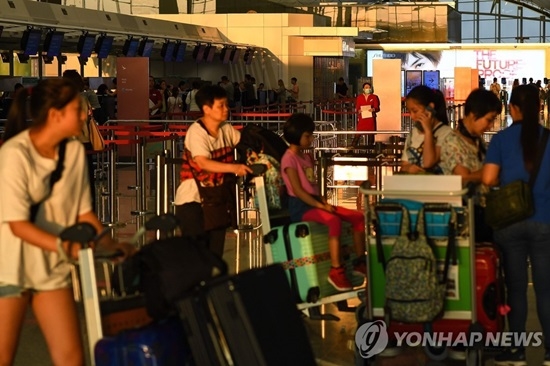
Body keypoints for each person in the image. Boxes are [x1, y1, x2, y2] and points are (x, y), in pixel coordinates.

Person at [0, 79, 134, 366]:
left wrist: (107, 242)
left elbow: (82, 212)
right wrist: (66, 246)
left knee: (72, 358)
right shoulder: (14, 154)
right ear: (55, 114)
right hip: (10, 268)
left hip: (51, 266)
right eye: (79, 109)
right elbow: (17, 225)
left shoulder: (72, 151)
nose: (86, 114)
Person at [482, 85, 550, 365]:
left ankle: (518, 350)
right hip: (544, 221)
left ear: (511, 108)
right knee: (546, 290)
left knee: (516, 288)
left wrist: (505, 181)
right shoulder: (548, 139)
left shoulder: (501, 140)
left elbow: (487, 179)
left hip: (510, 224)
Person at [280, 113, 366, 292]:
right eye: (307, 135)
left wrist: (322, 202)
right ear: (296, 136)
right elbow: (298, 191)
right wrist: (321, 206)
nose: (311, 138)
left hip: (315, 202)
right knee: (333, 220)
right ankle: (336, 269)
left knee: (358, 217)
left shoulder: (307, 157)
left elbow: (312, 186)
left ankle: (360, 261)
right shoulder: (289, 159)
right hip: (301, 206)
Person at [174, 85, 251, 257]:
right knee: (196, 256)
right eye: (221, 105)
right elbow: (202, 162)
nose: (226, 109)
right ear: (206, 109)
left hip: (216, 199)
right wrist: (235, 167)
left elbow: (244, 143)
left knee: (215, 254)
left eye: (226, 104)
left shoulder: (225, 129)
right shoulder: (196, 131)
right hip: (192, 202)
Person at [439, 88, 502, 242]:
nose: (491, 126)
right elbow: (463, 178)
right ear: (474, 115)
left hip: (482, 212)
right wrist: (490, 174)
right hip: (465, 217)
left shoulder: (477, 141)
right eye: (489, 119)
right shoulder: (453, 141)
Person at [400, 85, 452, 174]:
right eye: (409, 112)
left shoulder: (446, 133)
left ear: (430, 108)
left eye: (415, 111)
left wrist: (428, 132)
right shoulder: (414, 132)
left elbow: (428, 162)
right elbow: (404, 165)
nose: (412, 116)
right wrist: (409, 168)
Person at [352, 82, 380, 147]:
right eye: (366, 87)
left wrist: (373, 109)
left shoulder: (374, 97)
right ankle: (351, 150)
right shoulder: (359, 97)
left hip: (370, 119)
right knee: (357, 135)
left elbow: (377, 108)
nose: (368, 89)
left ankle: (370, 152)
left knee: (371, 136)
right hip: (362, 119)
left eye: (369, 87)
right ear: (363, 89)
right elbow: (357, 108)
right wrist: (359, 111)